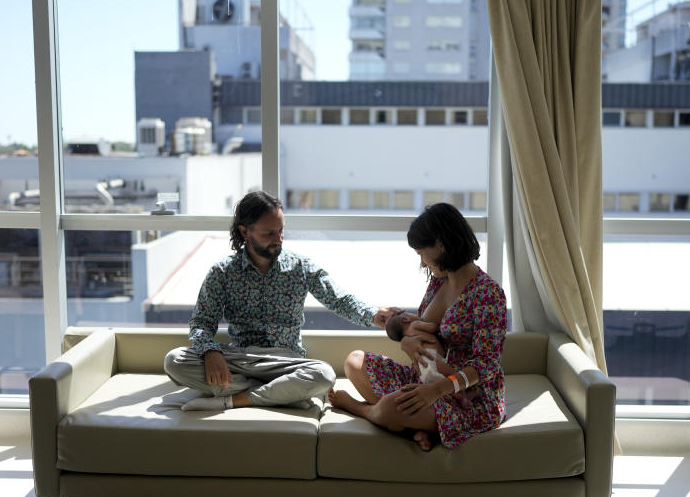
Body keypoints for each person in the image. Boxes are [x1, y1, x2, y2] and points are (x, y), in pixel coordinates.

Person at [164, 190, 400, 411]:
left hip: (286, 362)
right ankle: (285, 394)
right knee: (174, 360)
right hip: (242, 359)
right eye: (269, 233)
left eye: (281, 231)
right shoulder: (222, 272)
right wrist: (210, 352)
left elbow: (340, 300)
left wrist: (373, 315)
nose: (278, 239)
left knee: (324, 375)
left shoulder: (300, 267)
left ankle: (236, 399)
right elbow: (201, 324)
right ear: (245, 232)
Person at [329, 202, 507, 450]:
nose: (423, 263)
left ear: (441, 245)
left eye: (422, 253)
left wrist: (434, 392)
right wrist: (407, 341)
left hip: (467, 397)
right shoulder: (438, 282)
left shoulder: (489, 295)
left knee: (393, 405)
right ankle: (413, 427)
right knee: (354, 361)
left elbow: (485, 366)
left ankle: (364, 410)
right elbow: (421, 329)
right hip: (424, 378)